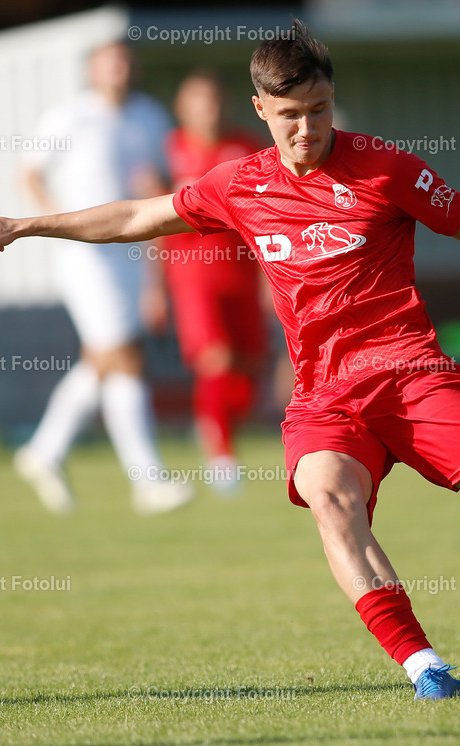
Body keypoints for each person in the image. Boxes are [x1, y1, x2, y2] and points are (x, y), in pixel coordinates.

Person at [0, 21, 460, 698]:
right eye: (290, 116)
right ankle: (424, 665)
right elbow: (133, 218)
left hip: (413, 375)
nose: (307, 130)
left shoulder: (387, 168)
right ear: (260, 110)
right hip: (325, 397)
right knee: (331, 500)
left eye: (320, 110)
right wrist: (27, 224)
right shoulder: (239, 185)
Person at [14, 41, 193, 516]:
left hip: (133, 254)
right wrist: (60, 223)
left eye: (126, 60)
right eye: (110, 60)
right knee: (126, 357)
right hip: (86, 256)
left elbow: (161, 189)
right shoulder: (68, 116)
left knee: (104, 358)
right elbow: (29, 175)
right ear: (92, 69)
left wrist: (157, 275)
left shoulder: (151, 118)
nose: (120, 67)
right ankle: (148, 480)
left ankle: (43, 450)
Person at [150, 70, 267, 493]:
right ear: (182, 108)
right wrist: (153, 287)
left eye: (214, 98)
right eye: (198, 99)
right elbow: (147, 223)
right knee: (214, 360)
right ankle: (222, 459)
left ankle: (211, 427)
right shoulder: (167, 153)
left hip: (243, 272)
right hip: (192, 277)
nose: (208, 108)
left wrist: (272, 278)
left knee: (248, 372)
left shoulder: (246, 149)